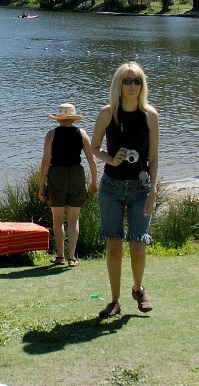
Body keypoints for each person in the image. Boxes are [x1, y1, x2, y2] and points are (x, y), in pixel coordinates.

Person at [91, 62, 159, 318]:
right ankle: (114, 300)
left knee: (138, 245)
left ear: (143, 85)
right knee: (114, 245)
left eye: (137, 81)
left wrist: (153, 191)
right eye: (127, 81)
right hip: (111, 188)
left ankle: (138, 288)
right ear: (118, 84)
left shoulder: (150, 115)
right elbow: (94, 148)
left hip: (141, 189)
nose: (132, 86)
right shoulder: (108, 113)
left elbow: (153, 157)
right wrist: (112, 159)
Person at [38, 103, 98, 267]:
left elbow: (45, 161)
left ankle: (60, 256)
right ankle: (72, 257)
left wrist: (41, 185)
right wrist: (94, 181)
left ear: (58, 118)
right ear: (73, 118)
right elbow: (92, 160)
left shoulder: (52, 134)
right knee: (73, 219)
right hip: (77, 174)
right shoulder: (82, 133)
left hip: (57, 175)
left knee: (58, 219)